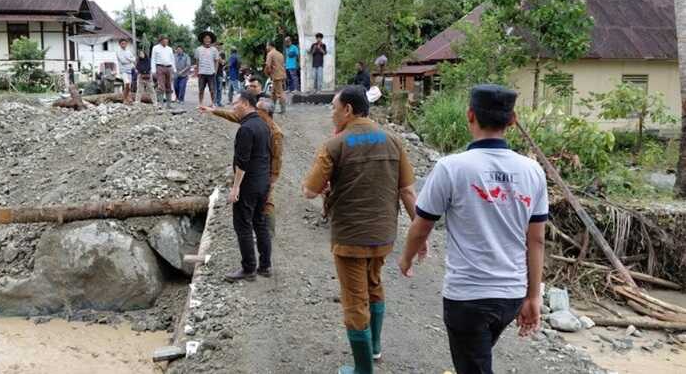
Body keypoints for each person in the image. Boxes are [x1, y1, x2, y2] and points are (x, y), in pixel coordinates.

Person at [398, 84, 548, 374]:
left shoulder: (451, 168)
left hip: (468, 296)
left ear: (470, 115)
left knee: (474, 364)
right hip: (510, 295)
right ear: (512, 120)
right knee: (475, 358)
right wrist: (533, 297)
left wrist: (405, 258)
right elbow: (537, 240)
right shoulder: (532, 171)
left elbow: (422, 224)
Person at [302, 86, 417, 374]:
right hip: (383, 234)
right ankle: (375, 348)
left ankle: (363, 370)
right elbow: (407, 191)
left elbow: (308, 190)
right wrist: (420, 232)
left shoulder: (335, 145)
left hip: (350, 237)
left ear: (348, 110)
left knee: (355, 301)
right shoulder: (393, 140)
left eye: (333, 107)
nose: (331, 113)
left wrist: (326, 186)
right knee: (374, 284)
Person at [199, 77, 283, 236]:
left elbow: (277, 158)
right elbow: (233, 116)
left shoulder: (276, 132)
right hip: (254, 171)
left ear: (266, 112)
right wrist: (213, 111)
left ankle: (268, 233)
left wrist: (273, 177)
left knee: (268, 202)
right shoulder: (256, 121)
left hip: (264, 171)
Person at [225, 90, 272, 282]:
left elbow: (242, 162)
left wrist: (235, 187)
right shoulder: (262, 124)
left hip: (248, 184)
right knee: (260, 223)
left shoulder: (246, 129)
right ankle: (265, 265)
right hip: (263, 182)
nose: (232, 107)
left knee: (243, 225)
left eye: (235, 103)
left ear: (245, 103)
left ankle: (248, 268)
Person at [196, 31, 220, 107]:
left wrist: (215, 71)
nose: (207, 40)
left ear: (211, 40)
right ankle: (200, 103)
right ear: (203, 40)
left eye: (209, 39)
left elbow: (216, 61)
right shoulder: (198, 49)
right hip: (201, 73)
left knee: (212, 90)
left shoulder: (214, 50)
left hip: (211, 73)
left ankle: (213, 103)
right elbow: (197, 61)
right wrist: (198, 71)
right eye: (206, 38)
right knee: (201, 90)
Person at [151, 35, 176, 108]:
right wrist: (153, 70)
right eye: (164, 40)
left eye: (167, 40)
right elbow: (153, 59)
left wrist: (174, 69)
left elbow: (172, 59)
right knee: (161, 86)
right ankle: (161, 104)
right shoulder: (155, 48)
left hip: (169, 67)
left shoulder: (170, 49)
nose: (166, 41)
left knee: (169, 85)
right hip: (160, 67)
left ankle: (169, 104)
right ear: (161, 40)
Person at [264, 40, 287, 114]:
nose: (266, 47)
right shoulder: (280, 54)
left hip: (276, 76)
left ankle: (283, 109)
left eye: (267, 45)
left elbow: (268, 65)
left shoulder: (270, 54)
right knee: (273, 93)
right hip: (281, 75)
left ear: (270, 45)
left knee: (280, 93)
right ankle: (271, 109)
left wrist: (267, 73)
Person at [116, 39, 135, 104]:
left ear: (126, 44)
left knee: (129, 86)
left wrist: (128, 58)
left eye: (125, 43)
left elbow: (134, 59)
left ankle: (127, 98)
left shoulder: (128, 51)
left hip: (129, 70)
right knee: (126, 83)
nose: (124, 44)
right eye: (122, 43)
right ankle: (124, 98)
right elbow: (122, 61)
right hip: (123, 71)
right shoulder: (118, 52)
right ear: (120, 44)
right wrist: (130, 60)